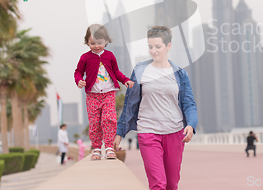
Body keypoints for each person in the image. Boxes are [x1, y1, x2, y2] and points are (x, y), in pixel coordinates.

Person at [114, 26, 198, 190]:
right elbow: (129, 104)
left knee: (171, 185)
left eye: (158, 47)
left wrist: (191, 125)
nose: (153, 51)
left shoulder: (180, 74)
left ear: (168, 46)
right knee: (158, 184)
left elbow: (189, 103)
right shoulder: (140, 70)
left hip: (174, 132)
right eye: (150, 47)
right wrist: (119, 132)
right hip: (148, 131)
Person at [74, 24, 134, 160]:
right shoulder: (85, 57)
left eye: (100, 43)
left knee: (109, 120)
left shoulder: (110, 56)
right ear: (87, 42)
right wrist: (79, 80)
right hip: (92, 96)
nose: (96, 46)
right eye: (92, 43)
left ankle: (108, 147)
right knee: (95, 122)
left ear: (106, 41)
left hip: (108, 94)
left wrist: (125, 80)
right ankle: (96, 148)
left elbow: (116, 72)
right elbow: (78, 72)